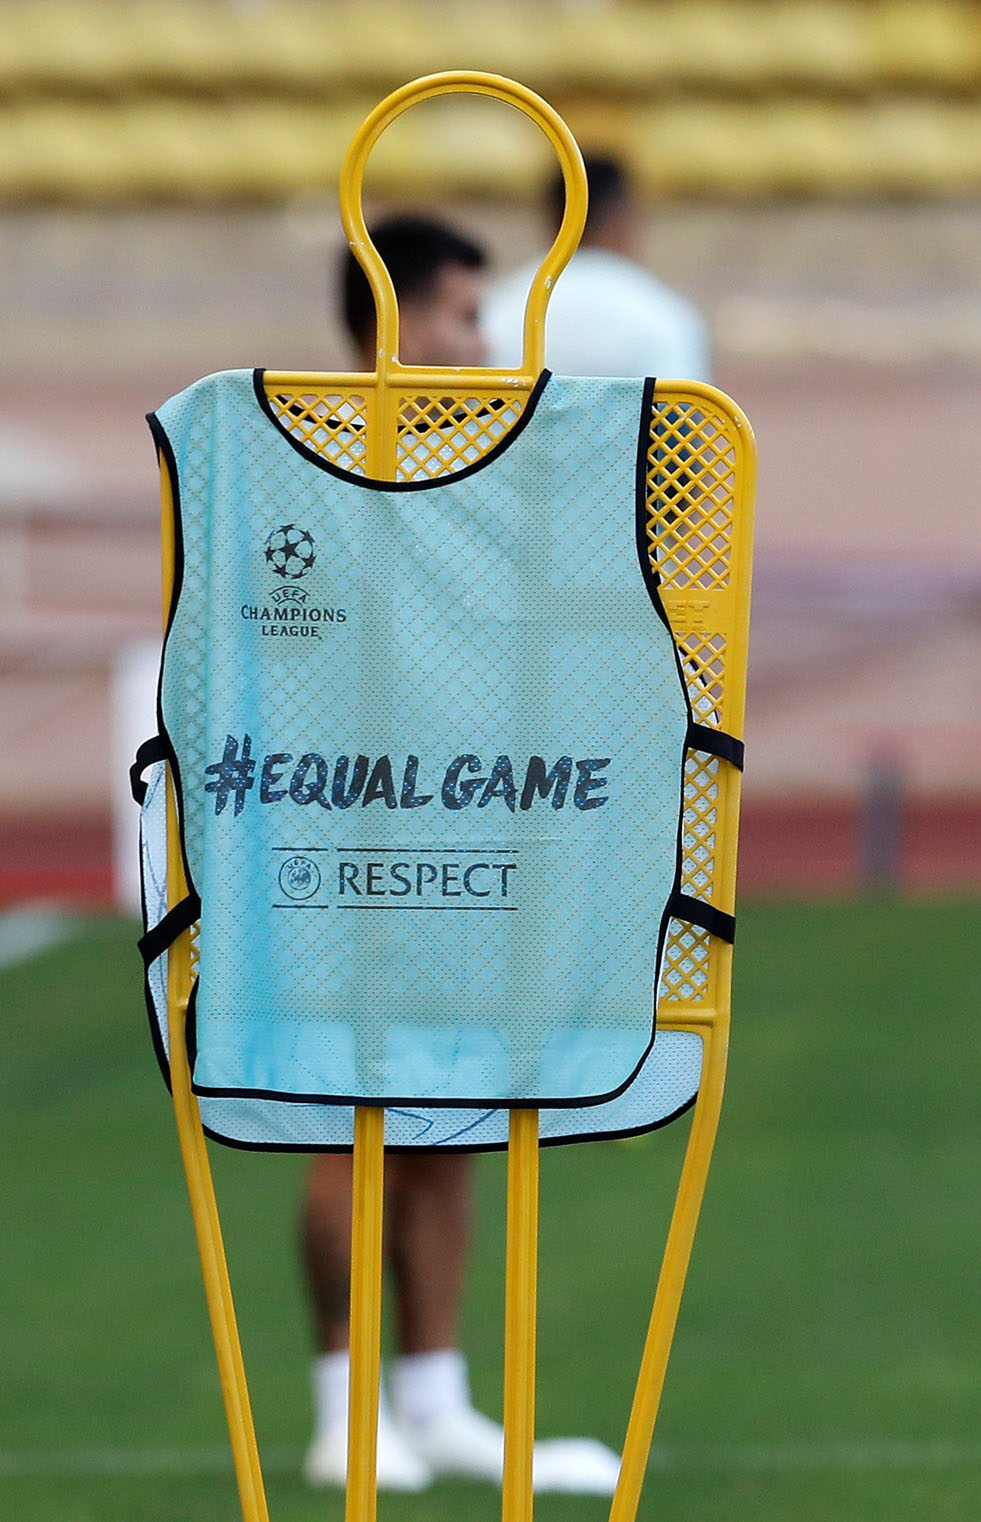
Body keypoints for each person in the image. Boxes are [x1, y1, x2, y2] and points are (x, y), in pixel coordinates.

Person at [302, 212, 622, 1497]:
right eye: (462, 313)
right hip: (342, 842)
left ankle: (433, 1399)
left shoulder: (490, 467)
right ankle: (342, 1407)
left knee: (450, 1121)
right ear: (389, 318)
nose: (484, 341)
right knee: (346, 1119)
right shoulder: (308, 460)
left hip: (472, 833)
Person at [479, 153, 712, 381]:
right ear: (625, 215)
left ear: (554, 215)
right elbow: (682, 403)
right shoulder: (664, 317)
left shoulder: (490, 312)